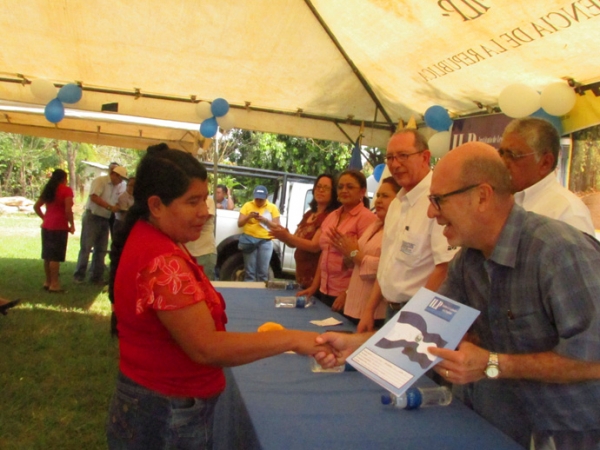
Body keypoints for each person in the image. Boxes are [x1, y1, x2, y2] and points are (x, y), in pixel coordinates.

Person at [315, 141, 600, 449]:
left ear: (481, 196)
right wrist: (355, 345)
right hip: (495, 427)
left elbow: (594, 359)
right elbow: (425, 330)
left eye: (438, 200)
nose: (430, 212)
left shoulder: (559, 252)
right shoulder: (468, 260)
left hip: (564, 434)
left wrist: (493, 363)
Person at [107, 144, 328, 450]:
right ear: (156, 205)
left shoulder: (155, 239)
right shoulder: (160, 260)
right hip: (166, 414)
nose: (205, 211)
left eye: (205, 199)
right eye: (193, 202)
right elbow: (207, 348)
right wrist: (292, 339)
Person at [357, 130, 457, 332]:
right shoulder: (396, 204)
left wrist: (414, 316)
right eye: (390, 157)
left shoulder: (439, 201)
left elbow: (445, 268)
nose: (395, 164)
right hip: (391, 311)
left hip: (422, 317)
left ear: (425, 157)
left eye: (403, 156)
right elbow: (387, 262)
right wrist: (369, 310)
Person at [500, 117, 594, 234]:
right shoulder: (502, 200)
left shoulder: (567, 212)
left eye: (513, 155)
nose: (503, 162)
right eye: (501, 153)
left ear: (545, 163)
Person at [297, 170, 377, 308]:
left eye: (350, 187)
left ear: (362, 191)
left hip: (347, 295)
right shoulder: (332, 216)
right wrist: (315, 286)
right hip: (324, 290)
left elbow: (364, 261)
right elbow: (324, 253)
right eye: (340, 187)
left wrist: (347, 292)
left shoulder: (367, 218)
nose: (344, 190)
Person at [330, 176, 400, 326]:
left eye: (385, 196)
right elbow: (354, 259)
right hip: (354, 304)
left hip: (376, 311)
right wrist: (348, 253)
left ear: (400, 200)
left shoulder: (399, 229)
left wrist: (355, 254)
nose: (378, 200)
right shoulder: (376, 224)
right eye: (378, 195)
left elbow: (387, 268)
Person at [269, 174, 340, 288]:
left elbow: (314, 246)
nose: (320, 190)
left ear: (333, 192)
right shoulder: (309, 214)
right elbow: (293, 242)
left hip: (317, 280)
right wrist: (282, 235)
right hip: (301, 277)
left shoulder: (330, 216)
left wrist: (287, 236)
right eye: (318, 186)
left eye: (326, 188)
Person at [74, 164, 127, 284]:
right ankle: (79, 275)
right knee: (86, 246)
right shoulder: (100, 181)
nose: (120, 182)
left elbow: (113, 201)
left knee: (101, 248)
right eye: (120, 178)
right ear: (114, 175)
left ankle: (96, 276)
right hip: (93, 216)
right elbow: (94, 197)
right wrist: (109, 207)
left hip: (105, 217)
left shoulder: (115, 187)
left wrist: (116, 206)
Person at [34, 168, 75, 293]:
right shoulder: (66, 190)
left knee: (47, 255)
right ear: (64, 178)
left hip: (47, 225)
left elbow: (36, 206)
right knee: (55, 256)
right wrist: (71, 224)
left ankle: (48, 281)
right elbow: (68, 210)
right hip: (59, 226)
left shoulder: (48, 189)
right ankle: (55, 284)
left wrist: (44, 217)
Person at [237, 185, 281, 282]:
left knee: (263, 272)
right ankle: (248, 294)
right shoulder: (247, 205)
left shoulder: (272, 208)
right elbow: (239, 224)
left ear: (266, 197)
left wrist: (265, 220)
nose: (258, 201)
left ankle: (261, 293)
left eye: (261, 199)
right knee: (250, 272)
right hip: (249, 240)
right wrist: (249, 216)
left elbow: (277, 226)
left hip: (265, 241)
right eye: (257, 199)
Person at [185, 196, 217, 280]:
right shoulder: (184, 201)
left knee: (206, 288)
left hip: (204, 252)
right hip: (188, 252)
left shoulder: (208, 200)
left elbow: (200, 220)